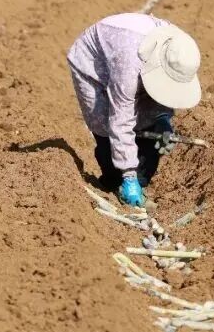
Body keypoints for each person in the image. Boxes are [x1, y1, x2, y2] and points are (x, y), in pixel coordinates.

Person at [66, 13, 202, 207]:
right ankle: (115, 182)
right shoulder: (129, 65)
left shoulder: (179, 49)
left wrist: (162, 118)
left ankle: (140, 181)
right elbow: (121, 120)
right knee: (105, 125)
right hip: (93, 62)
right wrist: (129, 176)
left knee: (148, 121)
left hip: (129, 53)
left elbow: (165, 88)